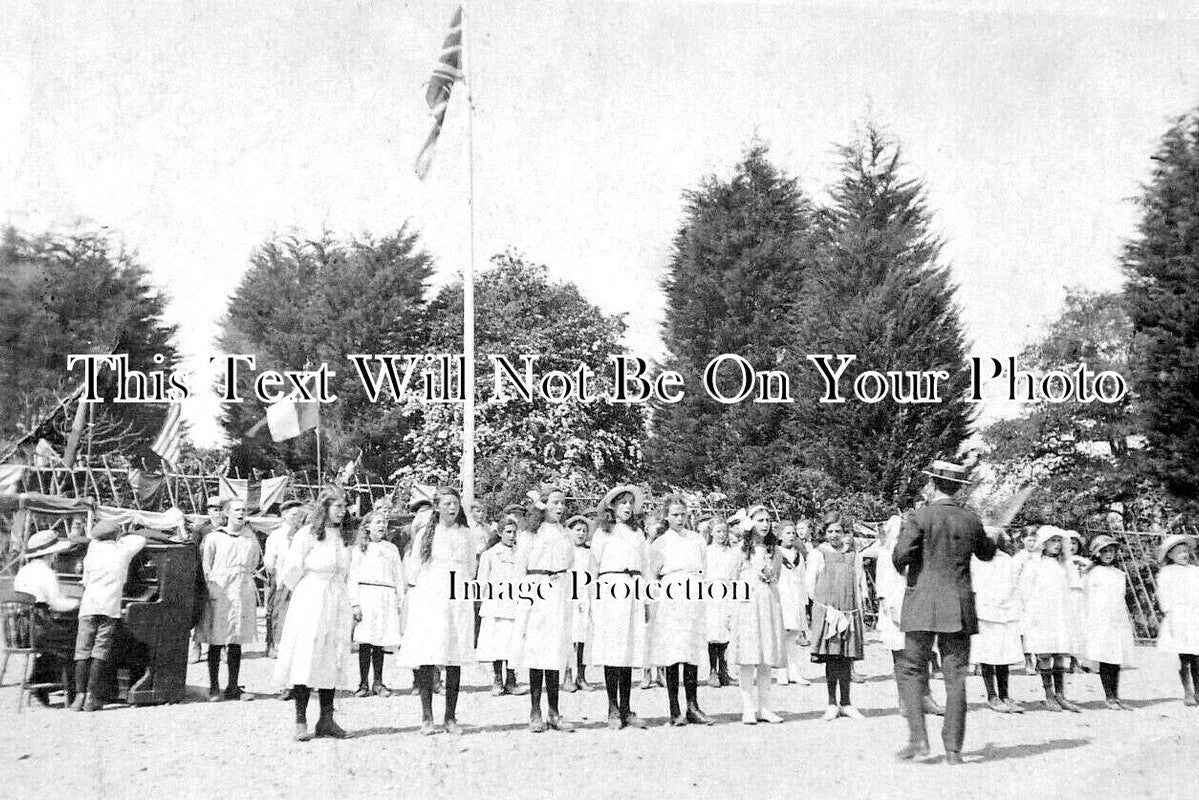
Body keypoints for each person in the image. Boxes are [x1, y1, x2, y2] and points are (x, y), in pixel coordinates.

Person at [892, 460, 996, 765]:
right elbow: (987, 554)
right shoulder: (971, 519)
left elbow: (900, 556)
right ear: (958, 487)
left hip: (922, 603)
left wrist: (906, 568)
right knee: (955, 678)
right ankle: (953, 750)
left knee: (911, 671)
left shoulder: (920, 516)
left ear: (932, 485)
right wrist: (994, 536)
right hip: (959, 606)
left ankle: (918, 740)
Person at [273, 491, 354, 741]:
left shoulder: (344, 537)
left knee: (332, 655)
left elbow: (348, 572)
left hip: (337, 597)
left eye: (345, 507)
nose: (342, 511)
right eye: (337, 506)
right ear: (325, 507)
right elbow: (291, 570)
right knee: (306, 655)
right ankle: (300, 719)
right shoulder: (307, 534)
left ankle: (326, 720)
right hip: (310, 597)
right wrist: (308, 593)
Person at [398, 486, 477, 735]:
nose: (452, 508)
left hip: (457, 600)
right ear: (437, 507)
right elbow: (414, 570)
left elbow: (471, 568)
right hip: (430, 599)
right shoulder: (426, 534)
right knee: (428, 655)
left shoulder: (466, 534)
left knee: (454, 656)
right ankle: (427, 717)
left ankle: (450, 717)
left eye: (455, 503)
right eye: (447, 504)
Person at [509, 488, 576, 732]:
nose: (560, 507)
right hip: (536, 592)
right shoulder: (530, 533)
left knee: (555, 652)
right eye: (555, 502)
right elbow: (519, 569)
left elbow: (568, 563)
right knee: (537, 653)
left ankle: (554, 712)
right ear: (543, 505)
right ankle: (535, 711)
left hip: (558, 593)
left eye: (562, 503)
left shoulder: (565, 533)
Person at [70, 520, 153, 711]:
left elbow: (84, 581)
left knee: (82, 651)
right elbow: (141, 539)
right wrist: (126, 534)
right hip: (109, 608)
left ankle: (78, 697)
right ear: (116, 536)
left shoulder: (92, 549)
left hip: (88, 606)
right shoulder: (123, 551)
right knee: (100, 651)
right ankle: (92, 697)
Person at [647, 495, 713, 726]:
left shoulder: (696, 540)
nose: (679, 519)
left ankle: (693, 707)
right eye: (674, 515)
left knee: (692, 653)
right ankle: (675, 710)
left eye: (683, 514)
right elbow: (651, 576)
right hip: (671, 599)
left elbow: (704, 571)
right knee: (673, 654)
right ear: (666, 516)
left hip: (693, 597)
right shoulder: (660, 543)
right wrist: (653, 605)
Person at [588, 484, 649, 730]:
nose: (626, 507)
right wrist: (593, 600)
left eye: (629, 503)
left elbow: (644, 567)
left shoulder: (638, 534)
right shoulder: (603, 533)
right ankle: (612, 707)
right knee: (612, 651)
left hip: (634, 590)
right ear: (612, 507)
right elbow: (593, 568)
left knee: (629, 651)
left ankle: (626, 707)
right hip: (610, 590)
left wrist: (645, 600)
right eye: (622, 502)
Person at [876, 514, 945, 716]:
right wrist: (892, 611)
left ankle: (925, 698)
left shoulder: (918, 553)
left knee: (922, 654)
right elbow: (882, 589)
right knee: (901, 656)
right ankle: (905, 700)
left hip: (918, 605)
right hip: (895, 609)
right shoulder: (885, 554)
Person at [807, 511, 868, 722]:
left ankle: (847, 703)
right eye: (830, 531)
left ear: (844, 533)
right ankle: (832, 703)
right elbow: (810, 585)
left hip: (849, 611)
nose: (834, 535)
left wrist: (855, 610)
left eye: (838, 531)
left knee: (846, 658)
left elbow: (859, 583)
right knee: (832, 658)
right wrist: (825, 609)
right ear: (824, 533)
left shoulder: (853, 554)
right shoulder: (817, 553)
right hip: (828, 613)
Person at [199, 498, 261, 702]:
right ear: (226, 513)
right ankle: (214, 687)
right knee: (216, 639)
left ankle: (233, 686)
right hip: (220, 590)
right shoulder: (214, 538)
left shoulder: (250, 538)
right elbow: (206, 566)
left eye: (244, 509)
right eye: (236, 510)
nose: (241, 513)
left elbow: (253, 563)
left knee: (236, 638)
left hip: (241, 589)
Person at [1018, 525, 1083, 714]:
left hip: (1060, 613)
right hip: (1041, 613)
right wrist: (1032, 613)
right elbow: (1025, 591)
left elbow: (1073, 587)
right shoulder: (1034, 563)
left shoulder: (1065, 564)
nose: (1056, 545)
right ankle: (1049, 695)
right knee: (1045, 653)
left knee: (1059, 653)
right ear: (1044, 543)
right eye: (1052, 541)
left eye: (1058, 541)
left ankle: (1061, 695)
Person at [731, 505, 786, 725]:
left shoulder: (775, 551)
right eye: (760, 520)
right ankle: (748, 708)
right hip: (747, 607)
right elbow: (732, 582)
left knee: (766, 658)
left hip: (768, 605)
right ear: (751, 523)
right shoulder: (741, 551)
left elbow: (777, 578)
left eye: (768, 520)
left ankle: (764, 707)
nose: (765, 524)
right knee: (748, 657)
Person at [14, 530, 78, 705]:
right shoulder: (47, 573)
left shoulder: (24, 570)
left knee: (56, 643)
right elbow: (58, 604)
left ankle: (39, 684)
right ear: (50, 554)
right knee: (74, 642)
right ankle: (73, 693)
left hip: (21, 629)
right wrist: (77, 604)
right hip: (38, 627)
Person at [350, 510, 405, 698]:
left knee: (380, 641)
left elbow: (398, 576)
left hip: (386, 596)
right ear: (367, 526)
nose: (382, 525)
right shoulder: (359, 549)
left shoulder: (391, 549)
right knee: (366, 640)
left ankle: (378, 682)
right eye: (378, 522)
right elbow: (353, 577)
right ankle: (363, 683)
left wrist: (399, 600)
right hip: (366, 595)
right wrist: (355, 603)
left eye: (384, 522)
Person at [970, 530, 1024, 713]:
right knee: (988, 654)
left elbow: (1014, 585)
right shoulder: (975, 559)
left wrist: (1013, 607)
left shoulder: (1006, 560)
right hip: (985, 612)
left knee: (1003, 655)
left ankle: (1005, 694)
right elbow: (973, 586)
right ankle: (992, 695)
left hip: (1005, 612)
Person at [1081, 534, 1135, 710]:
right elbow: (1086, 598)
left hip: (1117, 619)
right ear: (1097, 554)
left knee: (1116, 658)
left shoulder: (1119, 574)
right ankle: (1109, 696)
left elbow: (1121, 598)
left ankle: (1116, 695)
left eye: (1111, 550)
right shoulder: (1091, 574)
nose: (1108, 554)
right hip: (1099, 619)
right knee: (1105, 657)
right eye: (1104, 551)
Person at [476, 515, 522, 695]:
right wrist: (482, 603)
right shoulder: (490, 554)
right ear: (500, 533)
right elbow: (482, 581)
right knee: (497, 644)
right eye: (508, 532)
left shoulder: (520, 553)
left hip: (515, 605)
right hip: (496, 605)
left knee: (513, 644)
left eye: (514, 532)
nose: (511, 536)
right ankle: (497, 680)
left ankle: (511, 680)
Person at [1154, 533, 1199, 706]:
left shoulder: (1195, 571)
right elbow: (1163, 595)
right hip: (1179, 616)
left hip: (1195, 615)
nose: (1184, 554)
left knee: (1197, 656)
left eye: (1186, 551)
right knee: (1185, 656)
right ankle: (1188, 691)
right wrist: (1170, 613)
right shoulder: (1167, 572)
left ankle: (1198, 691)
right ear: (1170, 555)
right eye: (1179, 552)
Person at [263, 499, 307, 662]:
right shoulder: (276, 536)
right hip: (280, 579)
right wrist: (278, 579)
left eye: (299, 515)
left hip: (299, 581)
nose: (297, 518)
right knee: (277, 612)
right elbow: (269, 562)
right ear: (284, 515)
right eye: (294, 515)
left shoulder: (303, 534)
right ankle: (273, 644)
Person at [703, 516, 738, 687]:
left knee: (726, 632)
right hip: (712, 592)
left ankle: (724, 671)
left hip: (727, 591)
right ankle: (713, 670)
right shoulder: (706, 551)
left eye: (724, 531)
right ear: (711, 532)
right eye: (718, 531)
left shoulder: (731, 552)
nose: (721, 535)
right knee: (714, 633)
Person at [775, 520, 810, 686]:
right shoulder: (776, 553)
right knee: (782, 635)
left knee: (794, 636)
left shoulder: (799, 555)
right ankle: (782, 672)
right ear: (780, 535)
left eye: (793, 533)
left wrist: (803, 601)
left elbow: (802, 579)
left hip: (795, 598)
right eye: (787, 533)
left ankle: (794, 672)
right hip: (782, 597)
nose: (791, 536)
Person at [564, 513, 595, 692]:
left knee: (583, 636)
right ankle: (567, 675)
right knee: (569, 636)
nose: (581, 533)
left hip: (584, 597)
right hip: (568, 597)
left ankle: (581, 676)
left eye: (584, 530)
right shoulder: (565, 549)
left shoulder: (589, 552)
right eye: (577, 530)